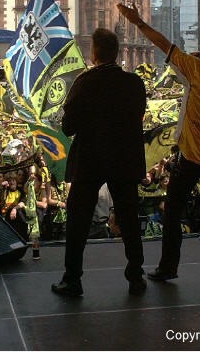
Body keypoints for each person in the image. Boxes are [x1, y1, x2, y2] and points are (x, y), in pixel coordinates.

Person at [118, 2, 200, 282]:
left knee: (173, 213)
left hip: (191, 158)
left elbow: (165, 44)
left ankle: (168, 267)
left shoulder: (198, 72)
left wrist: (138, 21)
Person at [51, 27, 147, 297]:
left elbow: (68, 127)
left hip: (91, 159)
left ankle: (72, 280)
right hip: (125, 160)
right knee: (128, 219)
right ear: (116, 53)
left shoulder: (85, 82)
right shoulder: (134, 83)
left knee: (78, 220)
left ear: (94, 53)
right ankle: (136, 277)